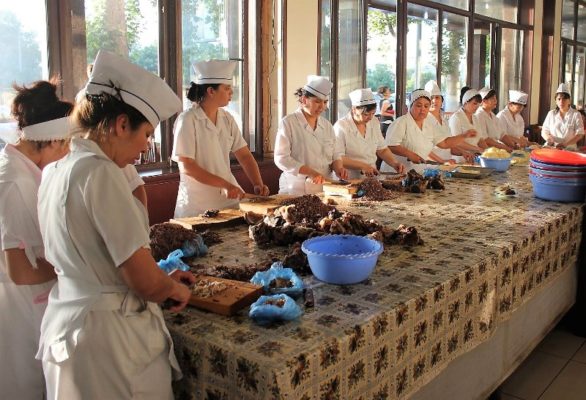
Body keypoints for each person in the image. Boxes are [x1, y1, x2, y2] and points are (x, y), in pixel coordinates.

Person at [36, 50, 196, 400]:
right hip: (110, 341)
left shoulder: (56, 170)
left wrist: (162, 278)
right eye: (146, 134)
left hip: (68, 325)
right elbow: (141, 279)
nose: (144, 148)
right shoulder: (102, 174)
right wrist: (172, 289)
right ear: (121, 124)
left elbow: (88, 259)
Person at [0, 79, 72, 400]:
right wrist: (72, 266)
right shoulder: (14, 182)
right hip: (21, 314)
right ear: (51, 141)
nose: (67, 153)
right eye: (66, 145)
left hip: (36, 306)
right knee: (27, 388)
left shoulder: (26, 170)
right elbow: (21, 271)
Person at [172, 60, 269, 217]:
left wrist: (257, 183)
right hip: (197, 206)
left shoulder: (227, 119)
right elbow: (187, 166)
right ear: (211, 91)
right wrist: (224, 185)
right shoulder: (188, 120)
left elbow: (244, 155)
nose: (231, 93)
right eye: (227, 89)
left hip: (228, 202)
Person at [274, 75, 348, 194]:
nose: (322, 107)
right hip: (296, 188)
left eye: (325, 102)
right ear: (304, 100)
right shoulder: (289, 123)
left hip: (324, 187)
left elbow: (335, 154)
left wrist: (339, 168)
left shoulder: (327, 125)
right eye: (317, 101)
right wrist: (311, 172)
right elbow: (281, 158)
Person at [381, 89, 475, 172]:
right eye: (418, 106)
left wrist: (464, 136)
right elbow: (391, 145)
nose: (422, 109)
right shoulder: (401, 122)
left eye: (426, 106)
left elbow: (445, 143)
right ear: (411, 106)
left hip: (417, 172)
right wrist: (409, 154)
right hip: (395, 172)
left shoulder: (429, 125)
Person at [333, 88, 405, 179]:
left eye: (373, 113)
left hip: (371, 177)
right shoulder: (341, 126)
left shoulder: (374, 122)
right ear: (354, 109)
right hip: (349, 178)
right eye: (366, 114)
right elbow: (337, 157)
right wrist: (363, 166)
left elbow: (382, 149)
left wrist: (395, 163)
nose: (370, 118)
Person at [541, 83, 585, 149]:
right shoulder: (551, 113)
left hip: (569, 148)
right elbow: (544, 131)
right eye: (559, 99)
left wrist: (565, 144)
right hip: (552, 147)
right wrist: (549, 139)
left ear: (569, 101)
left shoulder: (576, 114)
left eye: (564, 99)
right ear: (556, 101)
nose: (561, 101)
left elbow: (580, 134)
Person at [449, 87, 487, 158]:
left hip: (474, 157)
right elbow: (456, 142)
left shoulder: (475, 118)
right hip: (460, 158)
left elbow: (480, 139)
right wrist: (477, 149)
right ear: (466, 102)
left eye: (478, 104)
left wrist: (488, 151)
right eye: (474, 103)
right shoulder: (456, 118)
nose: (476, 107)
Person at [475, 87, 513, 152]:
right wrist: (504, 148)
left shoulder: (493, 116)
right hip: (485, 152)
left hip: (496, 150)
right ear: (484, 101)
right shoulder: (479, 115)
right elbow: (485, 139)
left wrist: (513, 145)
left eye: (495, 98)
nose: (495, 101)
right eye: (492, 98)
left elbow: (502, 135)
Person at [425, 80, 453, 161]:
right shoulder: (424, 120)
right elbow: (423, 149)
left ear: (442, 101)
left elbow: (449, 143)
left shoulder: (444, 119)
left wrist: (463, 151)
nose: (434, 101)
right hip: (430, 166)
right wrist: (442, 161)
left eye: (437, 97)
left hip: (447, 164)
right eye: (431, 98)